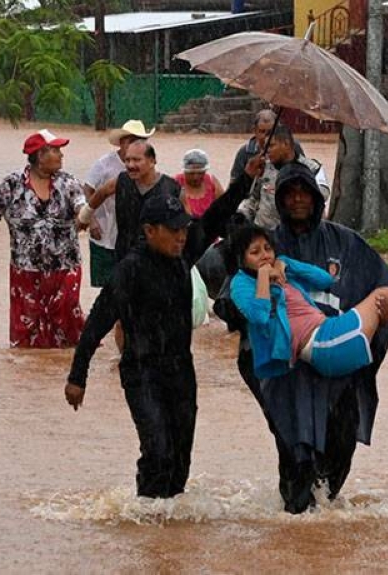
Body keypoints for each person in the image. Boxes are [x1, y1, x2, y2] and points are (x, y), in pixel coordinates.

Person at [66, 156, 263, 498]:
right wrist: (77, 377)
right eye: (174, 230)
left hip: (180, 371)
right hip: (141, 372)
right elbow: (96, 323)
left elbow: (217, 216)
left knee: (180, 460)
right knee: (157, 450)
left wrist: (245, 178)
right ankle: (146, 516)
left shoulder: (183, 256)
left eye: (184, 228)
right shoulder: (129, 271)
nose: (182, 236)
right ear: (149, 231)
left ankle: (170, 532)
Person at [215, 161, 388, 514]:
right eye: (290, 193)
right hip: (288, 377)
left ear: (318, 198)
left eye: (305, 192)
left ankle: (324, 517)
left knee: (340, 443)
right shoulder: (264, 246)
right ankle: (296, 522)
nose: (298, 199)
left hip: (337, 365)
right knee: (294, 450)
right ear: (280, 198)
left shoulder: (345, 243)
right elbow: (229, 303)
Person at [229, 224, 388, 380]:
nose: (265, 255)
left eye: (267, 248)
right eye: (255, 252)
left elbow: (325, 279)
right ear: (242, 260)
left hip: (328, 337)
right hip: (321, 344)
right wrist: (263, 277)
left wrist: (286, 263)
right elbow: (259, 317)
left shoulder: (280, 269)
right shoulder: (240, 284)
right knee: (385, 294)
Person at [0, 129, 87, 349]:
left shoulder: (68, 182)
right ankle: (28, 371)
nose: (61, 155)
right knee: (27, 326)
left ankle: (68, 362)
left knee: (66, 316)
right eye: (55, 150)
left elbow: (80, 204)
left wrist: (86, 217)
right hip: (26, 269)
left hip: (65, 266)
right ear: (40, 156)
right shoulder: (12, 185)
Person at [83, 119, 154, 289]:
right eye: (131, 140)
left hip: (132, 235)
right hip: (105, 232)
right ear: (121, 143)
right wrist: (91, 220)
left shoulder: (145, 165)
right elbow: (87, 189)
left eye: (139, 141)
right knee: (106, 286)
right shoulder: (104, 164)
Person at [83, 140, 182, 262]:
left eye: (136, 160)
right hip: (125, 258)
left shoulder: (171, 188)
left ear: (152, 161)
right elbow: (100, 193)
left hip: (158, 263)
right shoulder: (121, 181)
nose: (130, 165)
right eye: (127, 160)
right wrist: (85, 217)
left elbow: (184, 225)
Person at [237, 124, 329, 230]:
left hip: (298, 234)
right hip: (265, 236)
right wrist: (241, 218)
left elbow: (323, 194)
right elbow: (252, 198)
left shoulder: (312, 168)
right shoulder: (263, 168)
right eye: (265, 147)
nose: (267, 151)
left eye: (271, 146)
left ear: (286, 144)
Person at [174, 149, 224, 218]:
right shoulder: (175, 184)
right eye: (191, 173)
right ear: (184, 171)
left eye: (200, 173)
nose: (195, 177)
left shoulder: (212, 183)